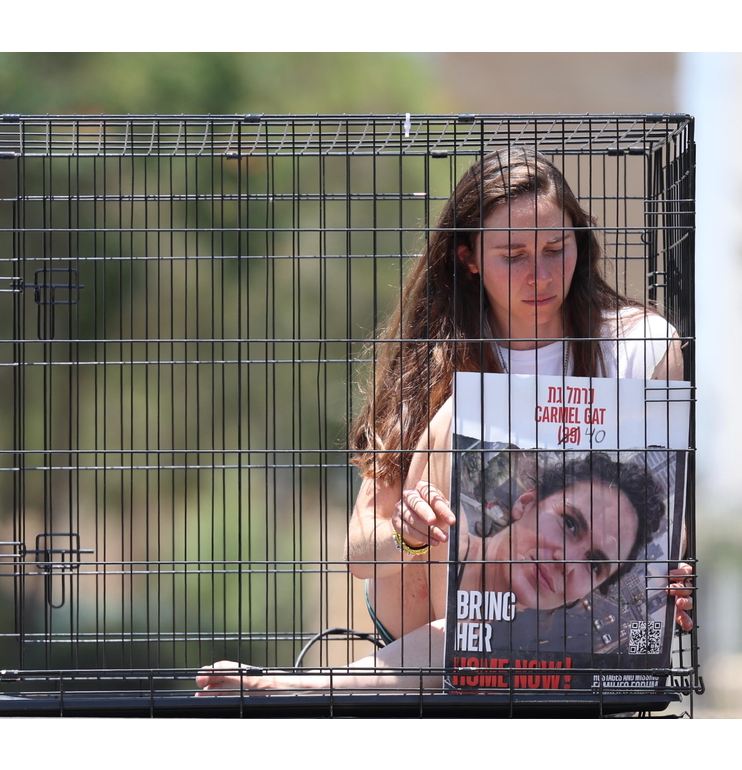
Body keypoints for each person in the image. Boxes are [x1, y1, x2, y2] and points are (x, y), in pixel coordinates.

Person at [196, 147, 693, 694]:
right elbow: (360, 552)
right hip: (421, 608)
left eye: (556, 248)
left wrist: (670, 579)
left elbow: (666, 522)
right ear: (469, 257)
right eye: (514, 255)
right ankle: (424, 688)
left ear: (579, 240)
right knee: (453, 421)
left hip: (550, 637)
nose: (542, 274)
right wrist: (409, 533)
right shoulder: (434, 362)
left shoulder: (642, 348)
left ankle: (323, 688)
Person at [196, 453, 667, 693]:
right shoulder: (444, 535)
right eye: (569, 523)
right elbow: (358, 555)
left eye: (594, 563)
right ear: (526, 503)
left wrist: (674, 596)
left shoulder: (556, 639)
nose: (568, 561)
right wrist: (407, 534)